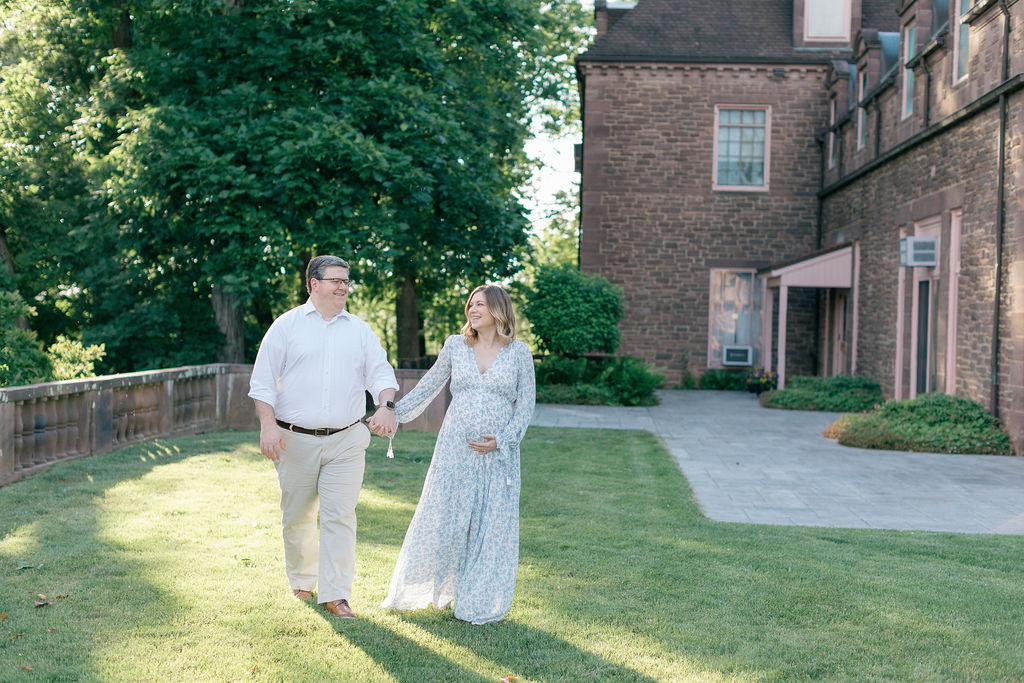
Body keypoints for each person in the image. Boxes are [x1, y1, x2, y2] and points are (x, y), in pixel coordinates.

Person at [248, 255, 398, 619]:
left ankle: (336, 595)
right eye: (336, 280)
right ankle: (302, 580)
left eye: (347, 281)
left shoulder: (360, 330)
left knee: (340, 516)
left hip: (347, 440)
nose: (344, 286)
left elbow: (381, 374)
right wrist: (268, 426)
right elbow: (263, 383)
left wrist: (386, 405)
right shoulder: (285, 327)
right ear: (313, 284)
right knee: (297, 515)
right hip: (293, 439)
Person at [380, 284, 535, 624]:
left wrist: (503, 440)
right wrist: (393, 413)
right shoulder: (456, 345)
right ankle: (437, 589)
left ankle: (477, 598)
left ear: (498, 310)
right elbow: (429, 386)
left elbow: (525, 408)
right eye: (470, 304)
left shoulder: (519, 353)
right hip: (454, 449)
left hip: (498, 455)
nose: (472, 310)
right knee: (448, 518)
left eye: (480, 304)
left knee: (490, 524)